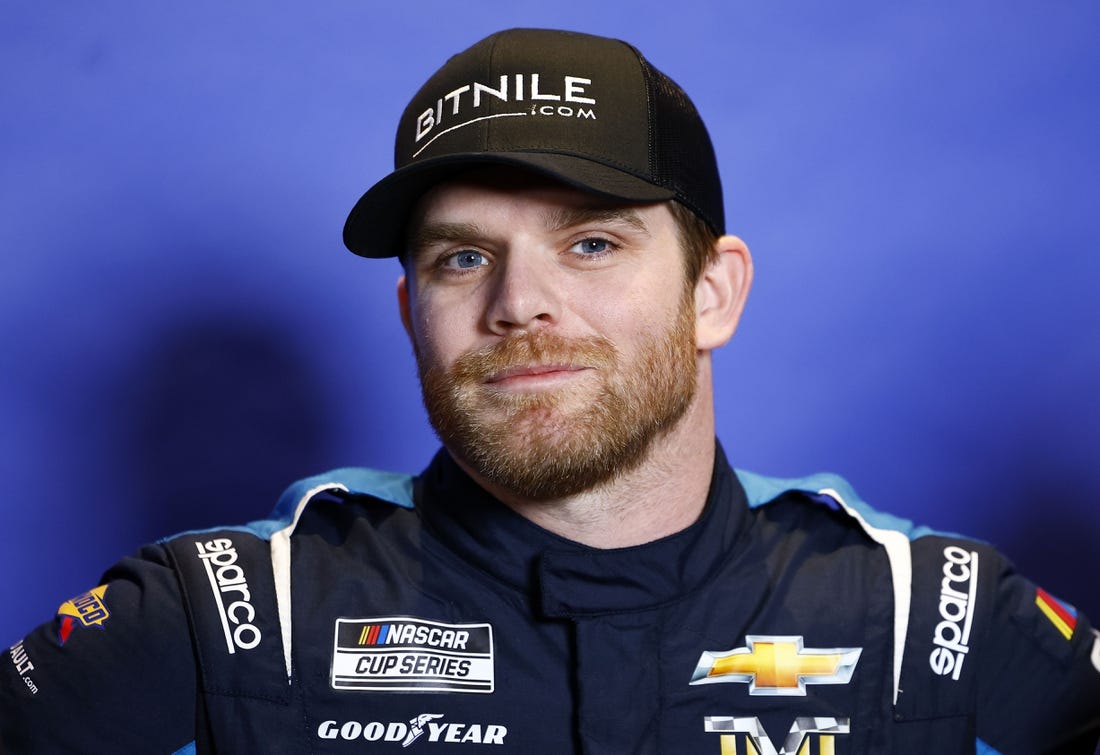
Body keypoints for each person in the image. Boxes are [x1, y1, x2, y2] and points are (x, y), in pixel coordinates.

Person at [2, 27, 1098, 755]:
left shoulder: (927, 621)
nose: (517, 302)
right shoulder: (229, 616)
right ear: (409, 316)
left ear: (711, 294)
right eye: (461, 259)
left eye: (588, 243)